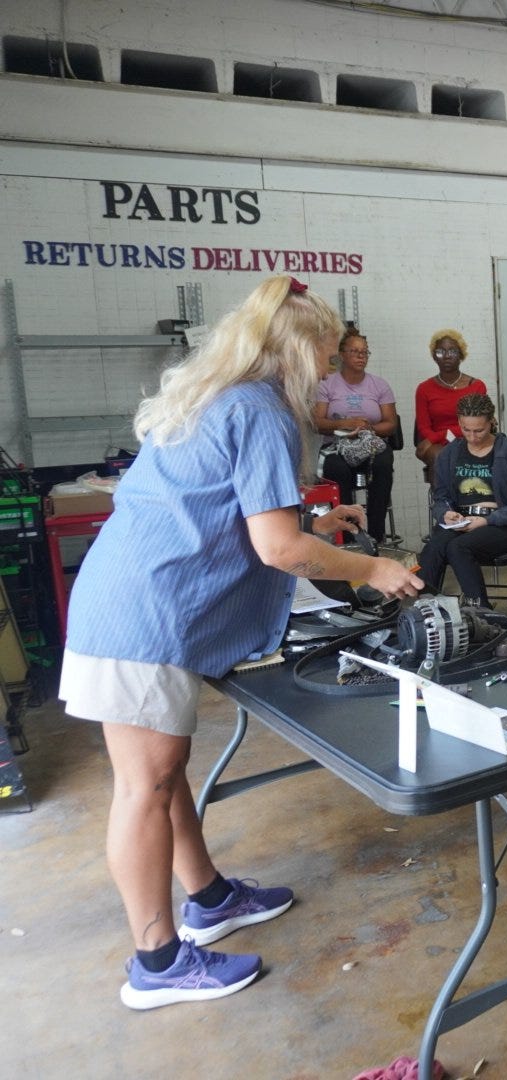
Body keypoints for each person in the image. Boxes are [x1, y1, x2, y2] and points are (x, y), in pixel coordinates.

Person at [59, 276, 422, 1010]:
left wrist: (322, 533)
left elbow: (244, 518)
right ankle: (157, 965)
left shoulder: (217, 396)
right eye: (322, 357)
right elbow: (279, 550)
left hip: (142, 601)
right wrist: (375, 568)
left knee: (168, 770)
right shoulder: (260, 410)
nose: (325, 374)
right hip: (145, 614)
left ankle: (209, 897)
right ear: (289, 352)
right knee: (144, 786)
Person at [417, 393, 507, 608]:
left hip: (502, 526)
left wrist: (486, 520)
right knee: (433, 547)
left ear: (491, 422)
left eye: (479, 430)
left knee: (458, 548)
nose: (472, 437)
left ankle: (481, 610)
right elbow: (441, 497)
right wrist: (445, 513)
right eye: (466, 430)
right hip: (461, 522)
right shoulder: (451, 453)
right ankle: (427, 608)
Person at [313, 328, 398, 545]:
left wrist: (367, 428)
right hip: (337, 446)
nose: (361, 356)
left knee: (382, 463)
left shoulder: (379, 385)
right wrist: (344, 423)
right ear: (342, 354)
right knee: (336, 469)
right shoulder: (327, 384)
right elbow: (317, 422)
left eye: (365, 352)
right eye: (355, 351)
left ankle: (377, 536)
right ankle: (350, 537)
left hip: (369, 444)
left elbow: (390, 424)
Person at [414, 329, 488, 476]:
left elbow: (478, 424)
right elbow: (423, 427)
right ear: (435, 357)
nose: (446, 356)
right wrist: (439, 440)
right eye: (440, 352)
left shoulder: (477, 386)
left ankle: (470, 498)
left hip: (470, 439)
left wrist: (443, 435)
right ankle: (443, 499)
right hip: (436, 446)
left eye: (452, 352)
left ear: (461, 355)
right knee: (441, 456)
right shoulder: (424, 389)